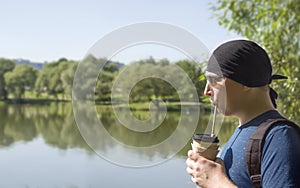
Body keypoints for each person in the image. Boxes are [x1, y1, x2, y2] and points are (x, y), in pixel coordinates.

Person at [186, 40, 300, 188]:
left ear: (246, 80)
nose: (206, 91)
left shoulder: (278, 136)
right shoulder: (245, 131)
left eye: (215, 80)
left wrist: (216, 181)